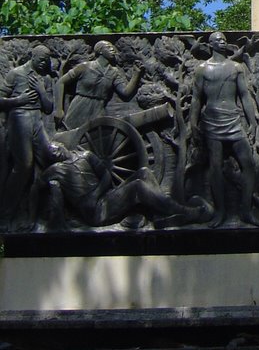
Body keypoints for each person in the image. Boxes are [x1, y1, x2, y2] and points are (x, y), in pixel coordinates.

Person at [35, 140, 212, 229]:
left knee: (144, 172)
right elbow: (37, 187)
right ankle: (186, 212)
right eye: (51, 153)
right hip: (96, 212)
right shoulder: (55, 170)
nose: (55, 153)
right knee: (137, 187)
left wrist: (96, 193)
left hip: (104, 198)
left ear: (63, 145)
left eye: (56, 148)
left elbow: (105, 175)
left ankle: (160, 215)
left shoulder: (86, 155)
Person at [189, 32, 259, 226]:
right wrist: (193, 124)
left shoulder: (236, 67)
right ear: (211, 44)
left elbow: (245, 95)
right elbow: (196, 98)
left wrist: (252, 121)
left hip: (233, 120)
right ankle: (220, 212)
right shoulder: (202, 69)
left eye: (224, 39)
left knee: (249, 164)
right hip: (211, 120)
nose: (223, 42)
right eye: (219, 40)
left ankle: (246, 210)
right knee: (215, 166)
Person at [0, 45, 55, 223]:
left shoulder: (45, 78)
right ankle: (7, 212)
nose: (43, 64)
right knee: (24, 164)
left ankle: (39, 211)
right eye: (41, 60)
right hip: (19, 117)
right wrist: (18, 100)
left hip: (37, 119)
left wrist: (41, 89)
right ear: (33, 56)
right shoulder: (16, 74)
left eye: (46, 61)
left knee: (48, 159)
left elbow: (48, 108)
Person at [54, 40, 143, 130]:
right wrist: (58, 109)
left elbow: (125, 93)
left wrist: (136, 74)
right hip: (80, 107)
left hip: (98, 110)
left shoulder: (114, 72)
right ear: (100, 51)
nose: (112, 49)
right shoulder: (85, 67)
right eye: (108, 47)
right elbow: (60, 82)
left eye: (112, 48)